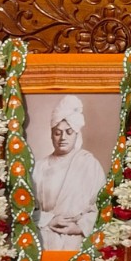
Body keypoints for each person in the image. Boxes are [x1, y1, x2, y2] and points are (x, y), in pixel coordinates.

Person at [33, 94, 106, 250]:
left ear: (77, 134)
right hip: (44, 239)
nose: (62, 138)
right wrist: (49, 220)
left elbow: (104, 206)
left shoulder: (89, 164)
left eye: (68, 132)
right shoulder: (39, 167)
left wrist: (79, 228)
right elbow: (25, 209)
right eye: (57, 133)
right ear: (51, 135)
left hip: (79, 242)